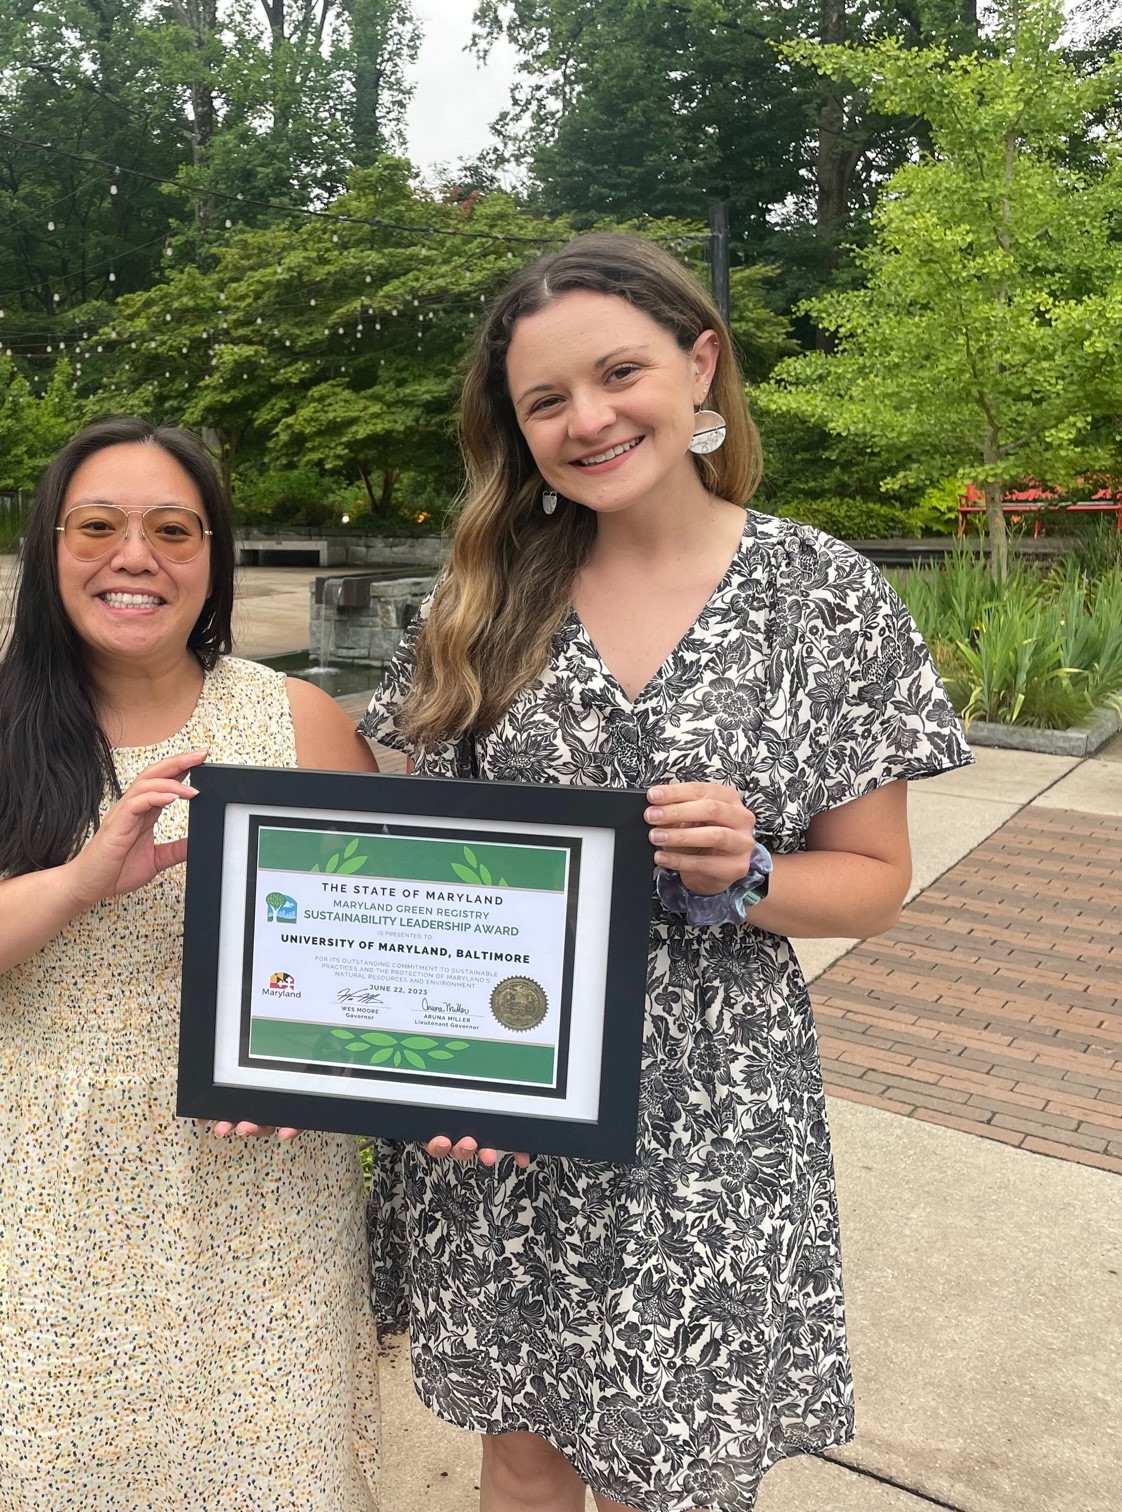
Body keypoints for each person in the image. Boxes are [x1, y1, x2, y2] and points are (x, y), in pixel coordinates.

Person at [361, 234, 972, 1512]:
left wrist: (752, 871)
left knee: (679, 1467)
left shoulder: (824, 597)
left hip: (709, 1100)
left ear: (702, 368)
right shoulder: (481, 599)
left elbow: (872, 882)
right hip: (506, 1084)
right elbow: (400, 841)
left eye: (619, 372)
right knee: (522, 1449)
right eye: (545, 401)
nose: (588, 419)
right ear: (515, 429)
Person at [0, 418, 382, 1511]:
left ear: (213, 557)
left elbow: (372, 940)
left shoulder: (299, 720)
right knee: (53, 1475)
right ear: (51, 547)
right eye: (98, 526)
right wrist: (76, 881)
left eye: (173, 530)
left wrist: (334, 1068)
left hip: (265, 1198)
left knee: (277, 1475)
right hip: (52, 1199)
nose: (135, 556)